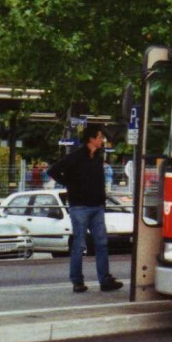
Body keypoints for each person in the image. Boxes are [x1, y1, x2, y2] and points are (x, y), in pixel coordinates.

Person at [47, 126, 123, 294]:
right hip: (80, 206)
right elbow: (52, 170)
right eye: (99, 136)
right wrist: (70, 183)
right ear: (91, 139)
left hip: (96, 206)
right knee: (79, 245)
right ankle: (77, 281)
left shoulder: (97, 157)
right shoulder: (75, 157)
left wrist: (102, 201)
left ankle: (104, 279)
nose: (102, 140)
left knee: (101, 244)